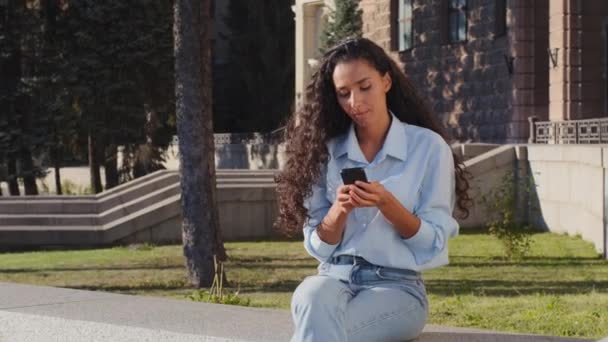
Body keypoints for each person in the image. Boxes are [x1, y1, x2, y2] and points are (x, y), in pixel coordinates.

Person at [275, 37, 471, 342]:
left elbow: (432, 243)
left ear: (386, 81)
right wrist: (339, 211)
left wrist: (388, 204)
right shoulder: (325, 152)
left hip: (397, 288)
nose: (355, 102)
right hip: (333, 278)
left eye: (364, 87)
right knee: (309, 294)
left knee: (330, 331)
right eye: (344, 93)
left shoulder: (428, 148)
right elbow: (318, 245)